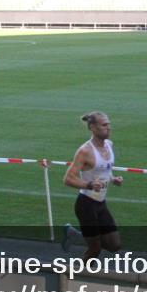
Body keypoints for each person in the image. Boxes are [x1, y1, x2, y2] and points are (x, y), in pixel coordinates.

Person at [43, 111, 123, 258]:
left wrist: (113, 179)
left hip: (101, 203)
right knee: (94, 249)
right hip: (86, 205)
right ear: (93, 127)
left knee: (114, 245)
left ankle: (76, 235)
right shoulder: (85, 151)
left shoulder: (109, 145)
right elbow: (68, 179)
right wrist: (89, 185)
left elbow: (104, 170)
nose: (109, 127)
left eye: (109, 124)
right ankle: (71, 276)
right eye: (104, 125)